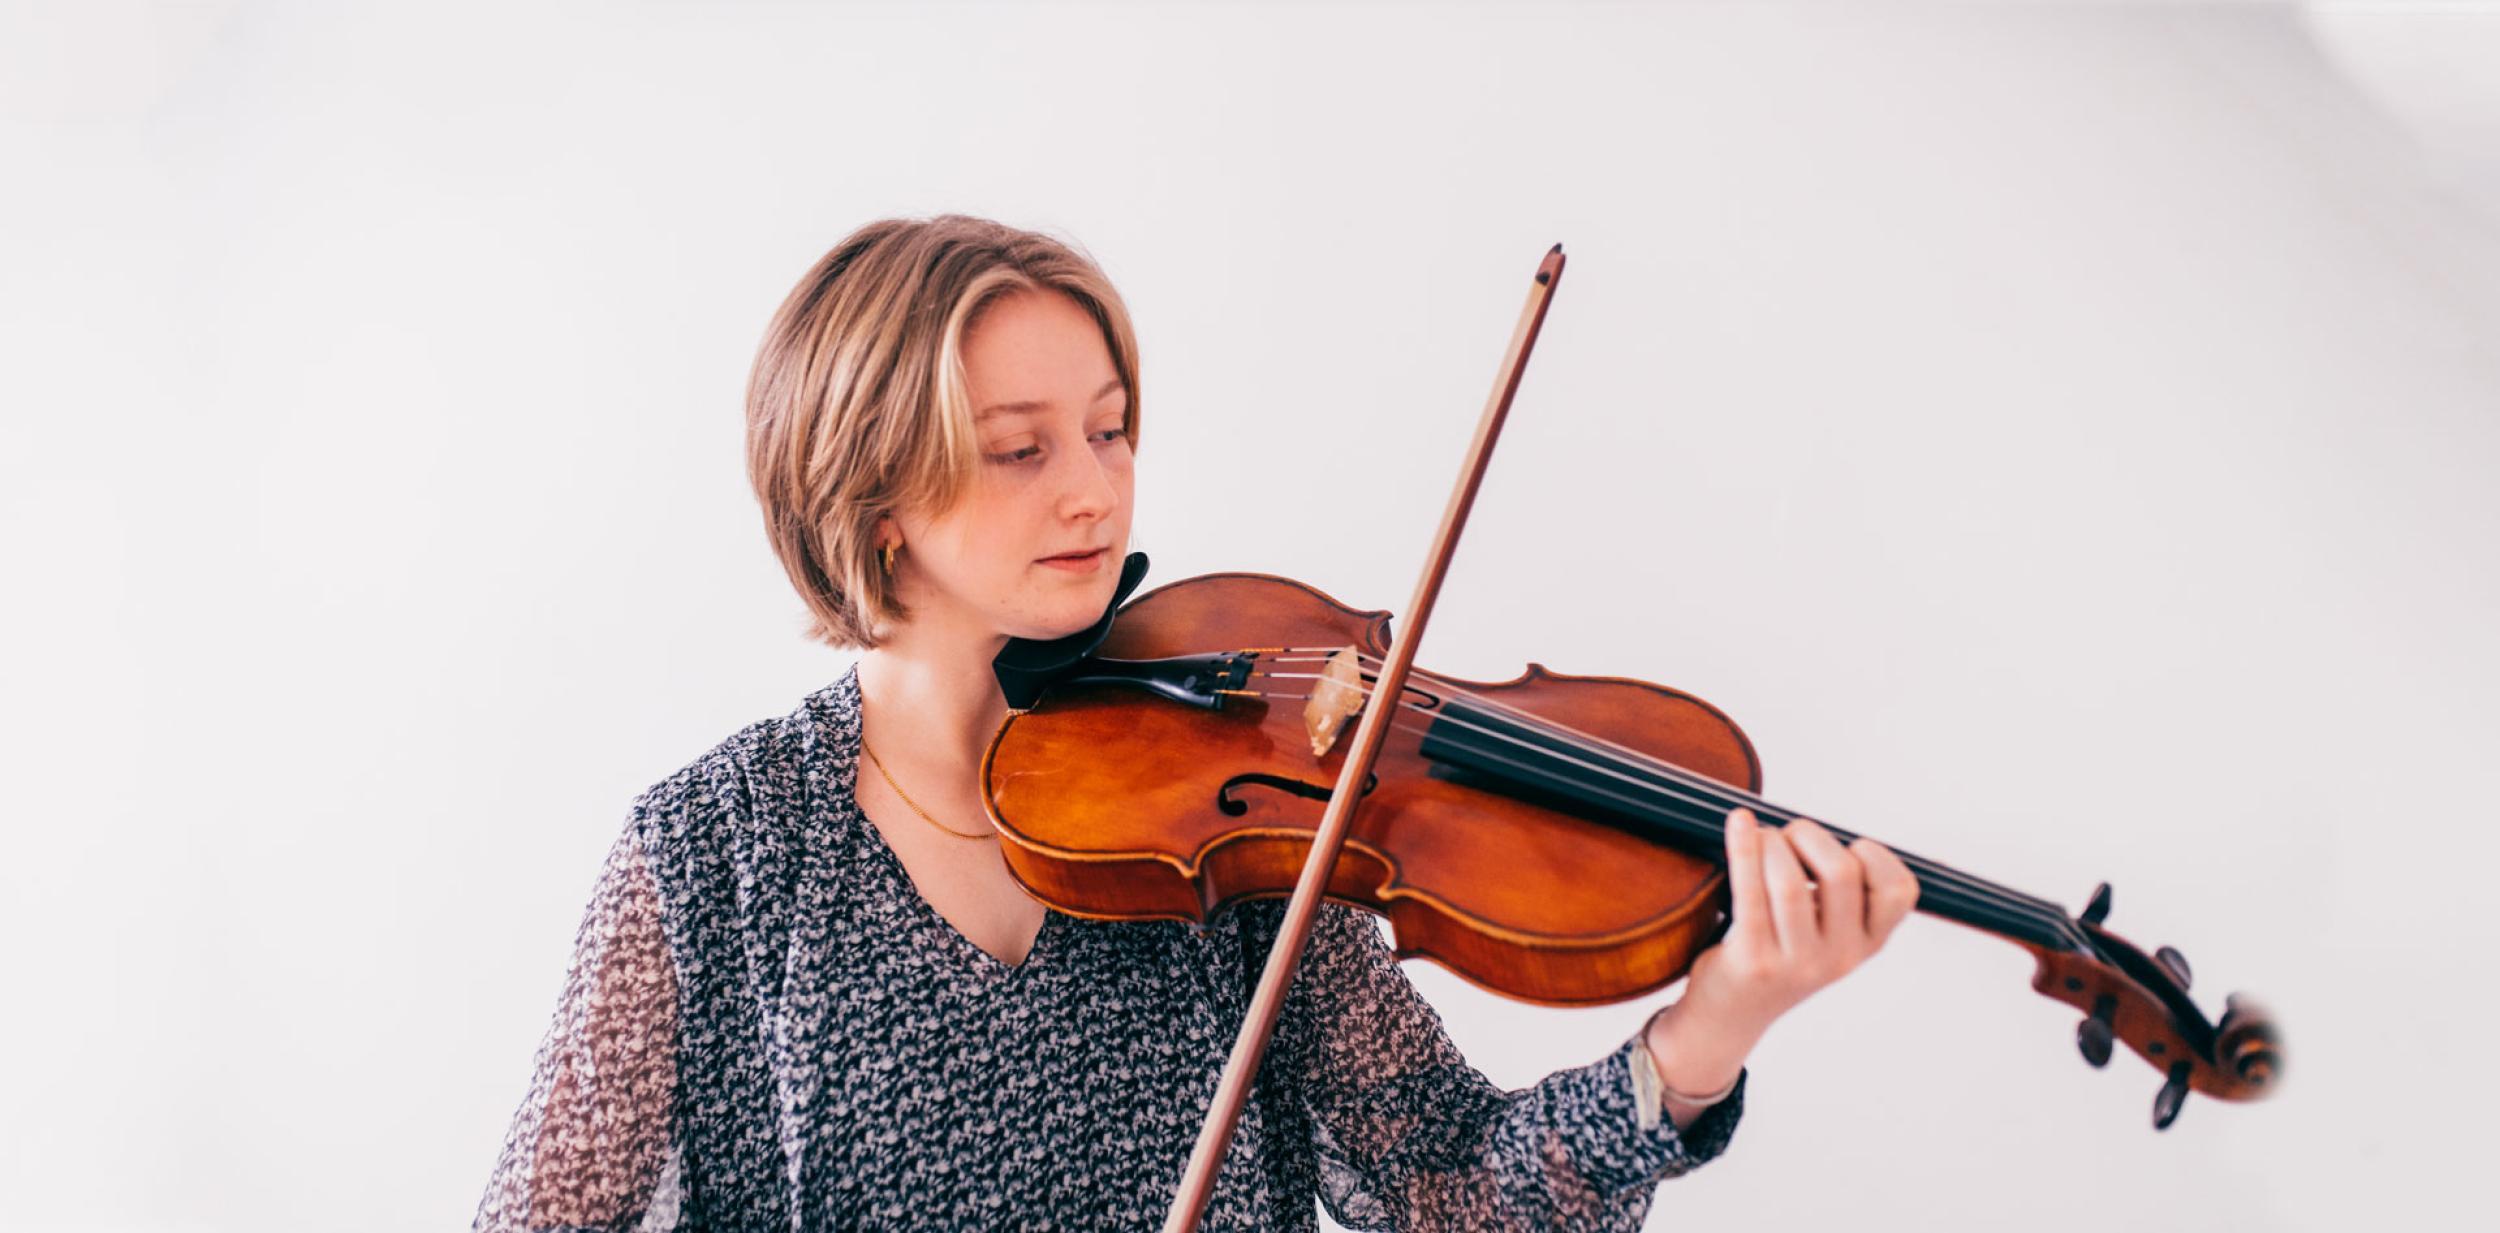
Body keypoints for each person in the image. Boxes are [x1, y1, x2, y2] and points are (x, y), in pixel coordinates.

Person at [470, 215, 1920, 1231]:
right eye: (1021, 450)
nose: (1096, 490)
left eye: (1111, 429)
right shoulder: (713, 852)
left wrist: (1706, 1033)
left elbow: (1452, 1189)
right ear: (871, 503)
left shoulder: (1225, 804)